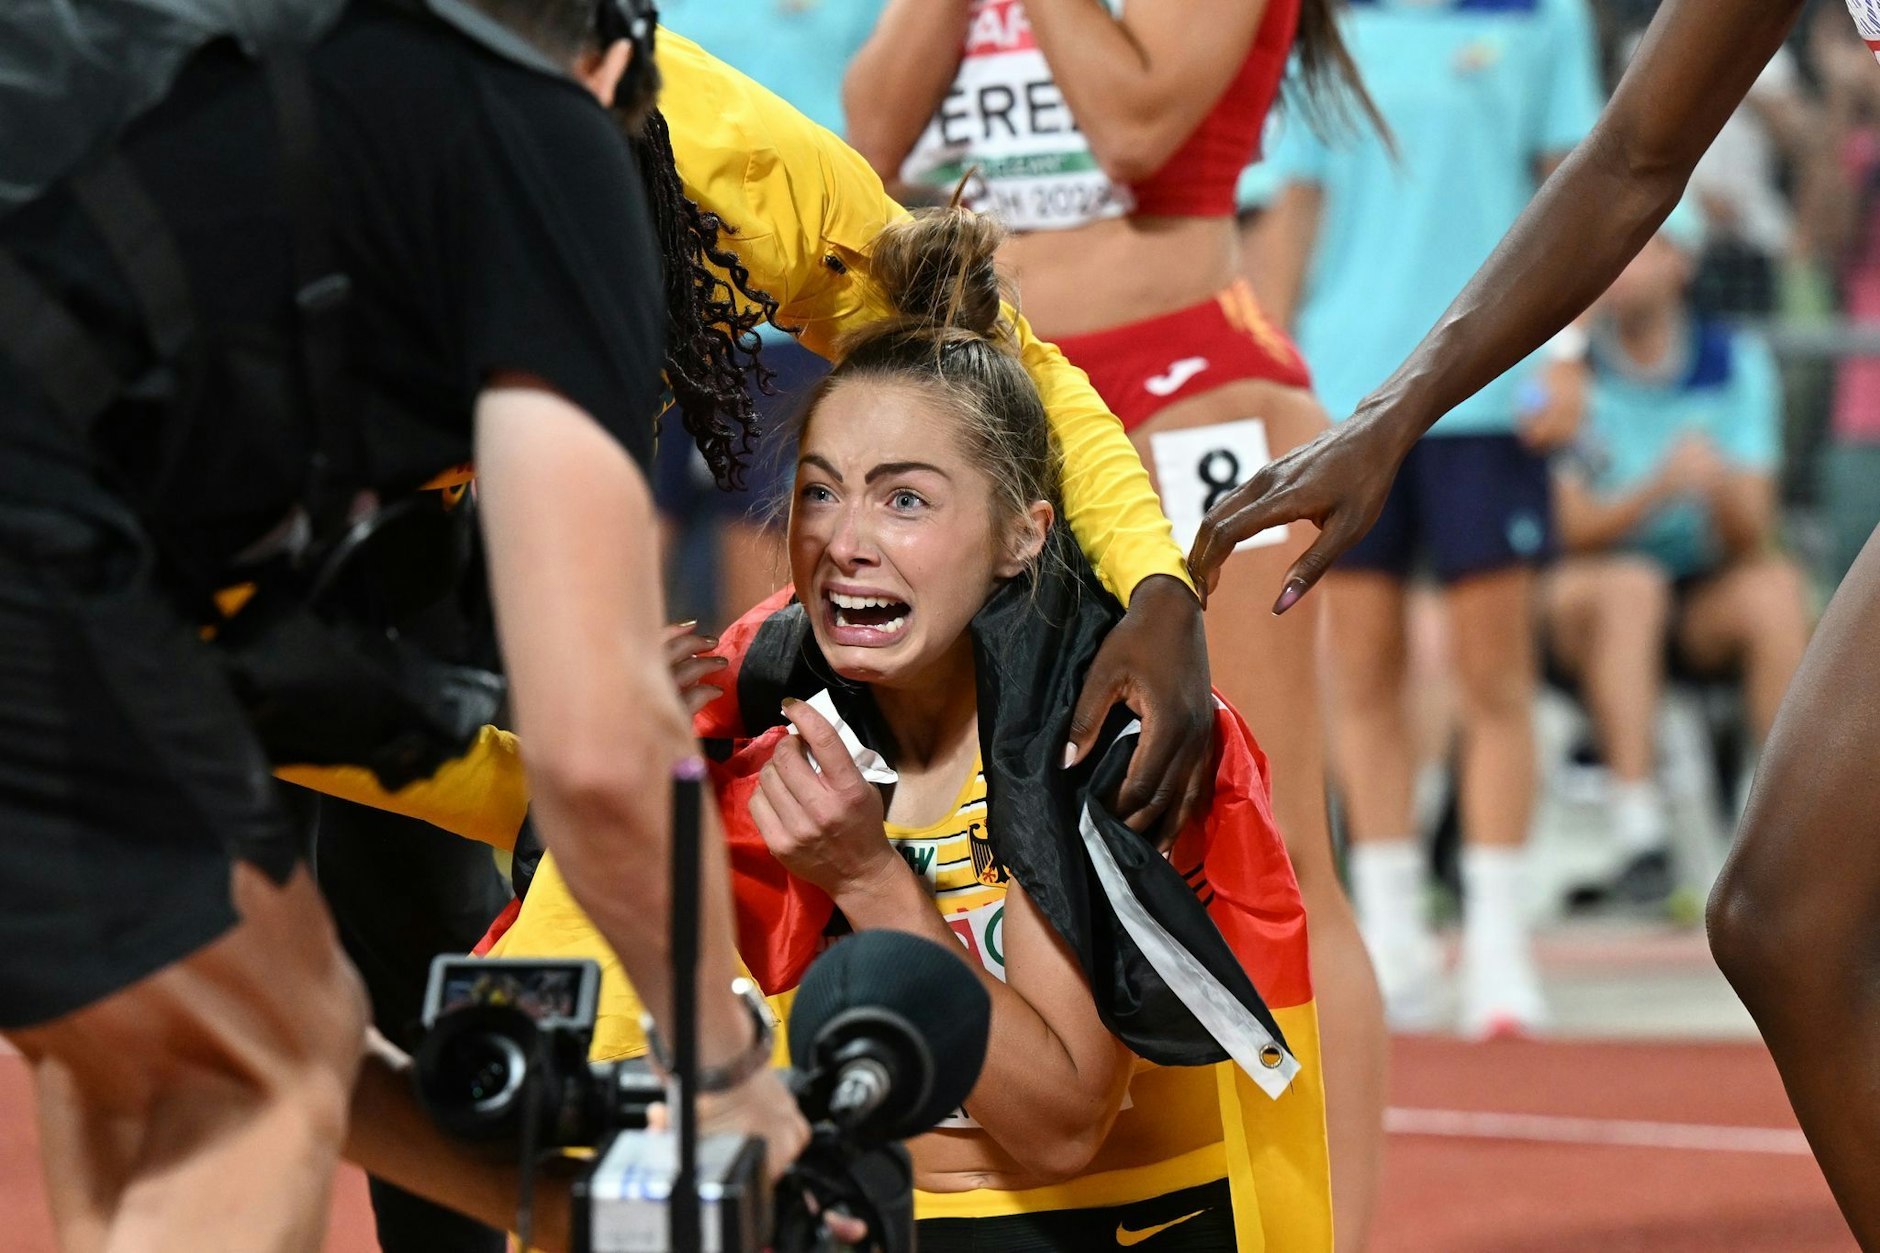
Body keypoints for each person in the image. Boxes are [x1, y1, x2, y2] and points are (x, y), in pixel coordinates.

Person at [356, 204, 1333, 1252]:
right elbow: (545, 833)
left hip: (1114, 1229)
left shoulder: (1085, 731)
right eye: (819, 494)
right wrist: (641, 773)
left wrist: (870, 878)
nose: (844, 542)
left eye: (904, 501)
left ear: (1022, 535)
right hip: (870, 1218)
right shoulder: (765, 700)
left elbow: (1061, 1123)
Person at [0, 3, 810, 1248]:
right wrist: (723, 1062)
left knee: (257, 1017)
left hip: (71, 557)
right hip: (45, 548)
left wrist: (571, 1215)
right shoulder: (543, 133)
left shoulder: (268, 95)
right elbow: (599, 749)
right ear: (612, 62)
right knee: (243, 1086)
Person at [1181, 0, 1880, 1238]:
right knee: (1777, 922)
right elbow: (1631, 155)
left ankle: (1493, 934)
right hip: (1394, 386)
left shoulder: (1529, 27)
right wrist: (1390, 410)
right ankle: (1419, 922)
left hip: (1497, 433)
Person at [840, 0, 1390, 1237]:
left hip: (1189, 388)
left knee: (1270, 843)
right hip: (992, 405)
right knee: (1011, 823)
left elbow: (1138, 126)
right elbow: (871, 131)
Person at [1253, 0, 1603, 1037]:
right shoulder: (1323, 19)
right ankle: (1395, 942)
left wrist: (1570, 354)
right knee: (1359, 671)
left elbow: (1585, 184)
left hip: (1488, 395)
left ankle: (1496, 945)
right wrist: (1269, 377)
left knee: (1495, 675)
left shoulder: (1542, 16)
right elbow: (1293, 212)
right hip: (1346, 397)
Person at [1544, 202, 1810, 898]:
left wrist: (1721, 492)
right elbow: (1567, 528)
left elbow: (1753, 533)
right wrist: (1658, 490)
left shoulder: (1735, 362)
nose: (1618, 266)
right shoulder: (1570, 365)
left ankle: (1787, 832)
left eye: (1639, 246)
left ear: (1680, 264)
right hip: (1578, 600)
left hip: (1693, 593)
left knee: (1776, 590)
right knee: (1631, 586)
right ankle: (1641, 839)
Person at [653, 0, 887, 625]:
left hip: (794, 319)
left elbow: (890, 130)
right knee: (614, 560)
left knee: (761, 595)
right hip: (654, 314)